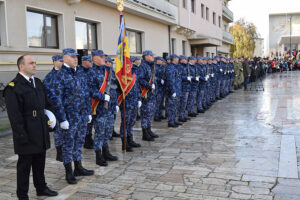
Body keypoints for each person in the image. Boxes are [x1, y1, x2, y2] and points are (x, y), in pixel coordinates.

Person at [4, 55, 58, 199]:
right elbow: (15, 116)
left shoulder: (38, 83)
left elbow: (46, 105)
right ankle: (22, 194)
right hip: (26, 131)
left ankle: (41, 188)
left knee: (40, 163)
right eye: (31, 63)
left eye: (35, 63)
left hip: (40, 129)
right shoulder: (13, 87)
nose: (35, 65)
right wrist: (21, 135)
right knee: (24, 166)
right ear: (21, 66)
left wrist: (52, 120)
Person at [51, 48, 94, 184]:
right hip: (68, 118)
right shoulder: (59, 75)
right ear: (64, 58)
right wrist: (62, 119)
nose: (76, 59)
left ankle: (79, 167)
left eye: (76, 57)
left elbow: (86, 94)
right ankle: (68, 172)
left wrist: (88, 112)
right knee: (68, 145)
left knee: (79, 142)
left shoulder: (79, 73)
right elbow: (56, 99)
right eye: (72, 57)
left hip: (81, 116)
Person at [90, 51, 118, 166]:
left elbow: (113, 88)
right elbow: (90, 91)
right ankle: (98, 155)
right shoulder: (91, 72)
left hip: (110, 107)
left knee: (108, 131)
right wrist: (102, 97)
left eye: (104, 57)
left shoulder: (107, 71)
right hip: (100, 108)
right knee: (99, 132)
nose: (103, 59)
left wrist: (115, 103)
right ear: (94, 58)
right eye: (101, 57)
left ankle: (106, 152)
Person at [118, 56, 142, 152]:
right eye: (129, 62)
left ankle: (130, 139)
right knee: (125, 123)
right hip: (126, 102)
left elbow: (137, 87)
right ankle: (124, 143)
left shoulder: (134, 72)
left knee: (132, 122)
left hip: (134, 101)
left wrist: (139, 98)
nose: (130, 64)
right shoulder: (121, 74)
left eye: (131, 62)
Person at [43, 55, 64, 162]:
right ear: (54, 61)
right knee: (58, 132)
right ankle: (59, 152)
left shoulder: (67, 74)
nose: (62, 62)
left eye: (63, 60)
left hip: (68, 109)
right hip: (56, 108)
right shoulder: (49, 77)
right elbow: (46, 94)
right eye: (60, 60)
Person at [138, 50, 158, 140]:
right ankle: (144, 133)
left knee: (150, 113)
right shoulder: (143, 66)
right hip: (146, 94)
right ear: (146, 56)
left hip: (151, 94)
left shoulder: (151, 66)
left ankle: (149, 130)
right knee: (145, 114)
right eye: (151, 55)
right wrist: (149, 86)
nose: (153, 57)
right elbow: (140, 80)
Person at [77, 56, 94, 150]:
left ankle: (89, 138)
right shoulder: (79, 72)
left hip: (91, 99)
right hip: (83, 100)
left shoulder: (90, 71)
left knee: (90, 121)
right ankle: (86, 140)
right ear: (84, 62)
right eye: (89, 61)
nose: (91, 63)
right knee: (85, 122)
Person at [165, 54, 179, 127]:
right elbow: (170, 81)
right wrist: (173, 91)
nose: (178, 59)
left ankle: (174, 120)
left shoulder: (174, 67)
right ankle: (171, 121)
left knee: (175, 106)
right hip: (172, 91)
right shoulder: (170, 68)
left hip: (176, 89)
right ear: (174, 59)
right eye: (177, 58)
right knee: (171, 107)